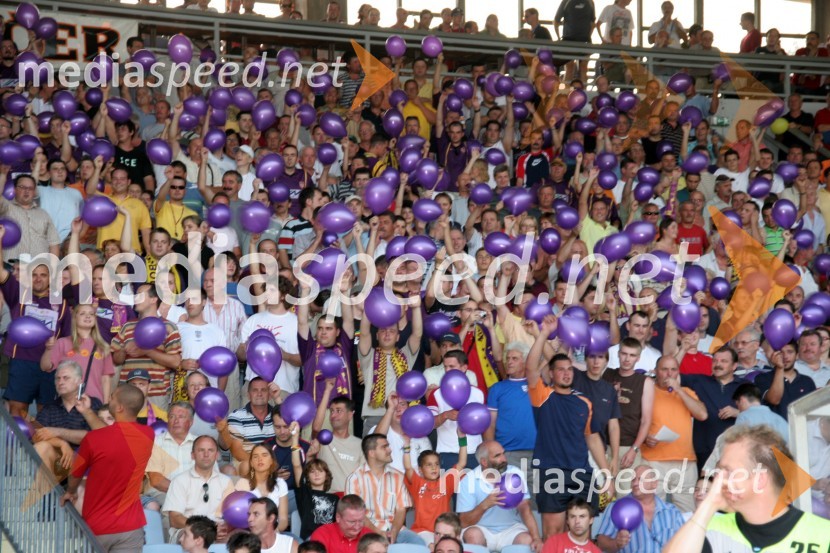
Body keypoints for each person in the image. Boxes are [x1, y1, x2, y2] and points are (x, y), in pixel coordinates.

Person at [664, 425, 830, 552]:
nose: (718, 479)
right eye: (719, 471)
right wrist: (708, 505)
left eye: (728, 471)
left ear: (760, 480)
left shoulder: (822, 535)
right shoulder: (707, 526)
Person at [60, 385, 154, 552]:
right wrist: (88, 412)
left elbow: (75, 474)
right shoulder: (148, 435)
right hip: (131, 527)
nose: (108, 399)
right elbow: (117, 434)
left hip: (97, 526)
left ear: (119, 407)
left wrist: (71, 491)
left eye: (112, 397)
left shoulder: (93, 439)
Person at [0, 229, 72, 418]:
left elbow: (65, 339)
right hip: (22, 361)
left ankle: (41, 448)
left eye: (43, 274)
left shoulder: (62, 304)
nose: (38, 278)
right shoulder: (20, 294)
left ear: (50, 278)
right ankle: (12, 448)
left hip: (49, 365)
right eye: (34, 274)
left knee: (46, 413)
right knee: (16, 409)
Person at [641, 356, 708, 512]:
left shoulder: (686, 392)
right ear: (656, 371)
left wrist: (678, 390)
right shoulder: (647, 391)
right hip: (653, 459)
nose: (669, 374)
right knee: (653, 509)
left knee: (688, 511)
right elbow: (636, 420)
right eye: (664, 369)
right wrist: (645, 438)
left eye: (673, 369)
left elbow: (702, 415)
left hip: (685, 460)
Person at [458, 440, 542, 551]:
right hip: (482, 529)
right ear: (484, 462)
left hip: (511, 529)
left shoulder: (515, 473)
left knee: (526, 540)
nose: (504, 459)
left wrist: (536, 538)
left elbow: (525, 509)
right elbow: (463, 522)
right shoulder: (468, 480)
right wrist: (485, 505)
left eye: (503, 453)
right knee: (472, 535)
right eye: (498, 456)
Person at [111, 283, 183, 408]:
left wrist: (147, 351)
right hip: (128, 392)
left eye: (140, 295)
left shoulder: (169, 327)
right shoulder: (127, 326)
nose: (135, 298)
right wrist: (123, 351)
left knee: (155, 428)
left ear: (154, 299)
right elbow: (116, 360)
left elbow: (176, 362)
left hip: (156, 394)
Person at [344, 433, 422, 544]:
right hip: (365, 530)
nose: (389, 450)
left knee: (418, 543)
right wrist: (379, 533)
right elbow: (356, 514)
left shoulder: (398, 476)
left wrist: (394, 532)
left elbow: (401, 510)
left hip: (396, 529)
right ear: (371, 453)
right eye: (384, 447)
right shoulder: (354, 478)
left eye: (388, 446)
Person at [595, 465, 685, 552]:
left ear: (654, 484)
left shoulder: (672, 512)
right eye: (633, 480)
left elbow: (685, 542)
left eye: (641, 479)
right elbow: (601, 542)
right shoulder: (617, 507)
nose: (635, 483)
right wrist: (616, 543)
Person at [163, 436, 234, 543]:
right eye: (201, 450)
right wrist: (207, 529)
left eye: (210, 450)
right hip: (189, 530)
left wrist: (224, 529)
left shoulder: (226, 482)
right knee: (196, 538)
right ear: (193, 455)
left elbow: (232, 515)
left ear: (217, 455)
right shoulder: (179, 481)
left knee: (240, 538)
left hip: (218, 531)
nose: (206, 454)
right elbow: (175, 519)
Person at [41, 303, 114, 404]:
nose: (88, 316)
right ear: (75, 318)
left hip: (95, 402)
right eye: (82, 313)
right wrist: (49, 349)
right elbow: (45, 367)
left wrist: (105, 405)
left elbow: (105, 379)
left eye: (91, 314)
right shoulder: (62, 342)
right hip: (68, 402)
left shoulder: (103, 347)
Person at [289, 421, 337, 539]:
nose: (316, 473)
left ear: (327, 475)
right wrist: (295, 438)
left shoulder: (335, 499)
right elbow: (296, 465)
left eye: (320, 471)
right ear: (307, 476)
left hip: (329, 541)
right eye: (312, 471)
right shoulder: (304, 493)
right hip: (311, 542)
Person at [144, 401, 198, 503]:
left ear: (191, 422)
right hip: (162, 494)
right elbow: (156, 481)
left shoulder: (200, 443)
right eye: (172, 416)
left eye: (181, 417)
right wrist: (184, 493)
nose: (176, 421)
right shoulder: (156, 442)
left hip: (194, 495)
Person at [0, 173, 61, 259]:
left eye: (30, 188)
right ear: (14, 190)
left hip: (39, 268)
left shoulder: (43, 214)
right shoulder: (6, 207)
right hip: (11, 267)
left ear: (34, 191)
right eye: (22, 187)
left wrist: (53, 268)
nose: (26, 191)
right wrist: (3, 174)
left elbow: (54, 243)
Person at [234, 444, 290, 532]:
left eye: (264, 455)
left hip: (274, 533)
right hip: (249, 534)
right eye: (255, 457)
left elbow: (283, 519)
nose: (260, 459)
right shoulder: (243, 483)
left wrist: (273, 533)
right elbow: (237, 517)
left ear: (272, 460)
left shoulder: (280, 483)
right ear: (251, 463)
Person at [310, 494, 374, 553]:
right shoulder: (322, 535)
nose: (357, 527)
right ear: (338, 517)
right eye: (352, 522)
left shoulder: (370, 536)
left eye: (361, 521)